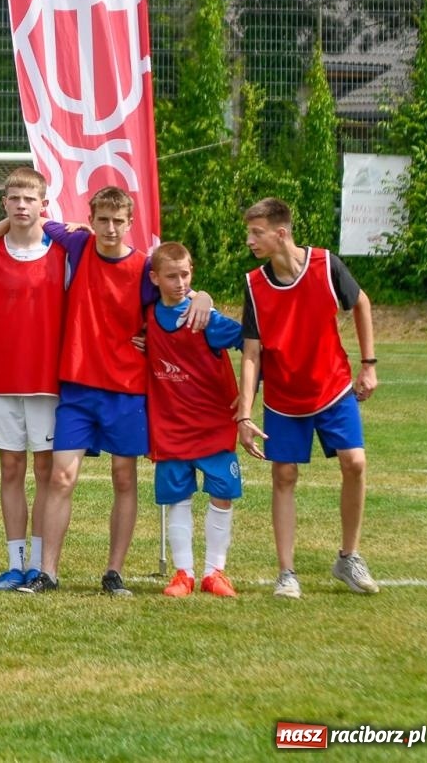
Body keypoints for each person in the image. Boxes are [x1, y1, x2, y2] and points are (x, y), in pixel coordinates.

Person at [0, 185, 210, 595]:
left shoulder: (144, 268)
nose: (111, 228)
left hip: (127, 388)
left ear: (130, 224)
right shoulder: (78, 245)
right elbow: (27, 216)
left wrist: (201, 295)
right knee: (61, 477)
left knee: (123, 476)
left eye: (119, 221)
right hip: (78, 388)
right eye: (103, 220)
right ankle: (47, 572)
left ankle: (113, 572)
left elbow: (175, 293)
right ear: (92, 219)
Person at [238, 197, 379, 599]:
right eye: (250, 232)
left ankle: (348, 558)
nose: (250, 240)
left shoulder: (326, 264)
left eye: (257, 232)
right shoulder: (255, 284)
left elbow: (362, 303)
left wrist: (368, 365)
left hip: (333, 388)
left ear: (281, 233)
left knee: (355, 462)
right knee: (284, 477)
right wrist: (244, 414)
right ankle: (287, 572)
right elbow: (252, 353)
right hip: (284, 397)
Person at [0, 168, 65, 591]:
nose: (22, 205)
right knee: (10, 471)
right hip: (2, 383)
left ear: (43, 205)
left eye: (30, 199)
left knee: (46, 473)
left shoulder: (64, 253)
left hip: (49, 384)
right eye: (14, 198)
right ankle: (15, 563)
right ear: (4, 204)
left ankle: (40, 564)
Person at [145, 242, 246, 598]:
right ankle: (183, 573)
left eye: (186, 275)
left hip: (214, 425)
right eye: (171, 276)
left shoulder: (206, 319)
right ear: (154, 278)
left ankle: (214, 572)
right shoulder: (146, 316)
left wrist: (247, 395)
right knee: (178, 498)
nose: (179, 283)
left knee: (222, 496)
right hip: (171, 428)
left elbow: (253, 339)